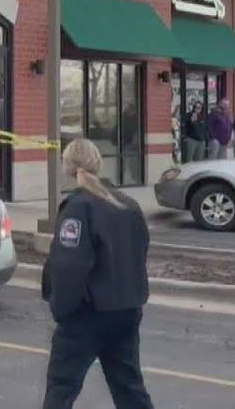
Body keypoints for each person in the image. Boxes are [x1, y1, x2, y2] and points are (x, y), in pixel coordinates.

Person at [42, 138, 153, 409]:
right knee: (129, 388)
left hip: (88, 316)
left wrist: (62, 309)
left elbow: (68, 267)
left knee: (61, 389)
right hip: (126, 310)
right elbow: (140, 251)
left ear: (69, 167)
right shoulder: (127, 204)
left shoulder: (79, 208)